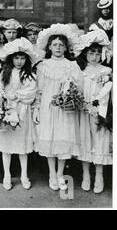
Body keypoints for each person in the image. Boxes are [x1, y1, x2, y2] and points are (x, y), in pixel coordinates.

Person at [33, 24, 82, 191]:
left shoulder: (72, 66)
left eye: (61, 45)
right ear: (49, 47)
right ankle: (51, 173)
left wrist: (70, 98)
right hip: (48, 107)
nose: (58, 48)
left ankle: (61, 173)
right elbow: (38, 89)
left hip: (64, 108)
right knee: (49, 138)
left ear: (66, 47)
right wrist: (37, 108)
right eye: (55, 45)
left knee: (63, 138)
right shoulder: (42, 66)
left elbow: (78, 87)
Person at [0, 38, 37, 191]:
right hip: (7, 110)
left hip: (22, 111)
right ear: (11, 59)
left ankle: (24, 175)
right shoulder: (5, 73)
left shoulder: (29, 75)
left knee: (22, 146)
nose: (19, 61)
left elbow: (31, 92)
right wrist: (1, 98)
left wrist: (17, 96)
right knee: (6, 146)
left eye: (22, 58)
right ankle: (7, 175)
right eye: (16, 58)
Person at [74, 30, 112, 194]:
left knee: (100, 141)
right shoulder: (80, 70)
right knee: (85, 140)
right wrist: (82, 103)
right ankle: (86, 175)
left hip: (100, 112)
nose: (95, 56)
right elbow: (76, 91)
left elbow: (108, 94)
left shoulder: (106, 71)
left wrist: (99, 107)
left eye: (98, 53)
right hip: (84, 111)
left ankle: (99, 175)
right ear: (85, 53)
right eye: (91, 53)